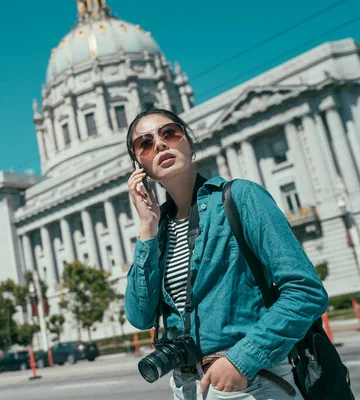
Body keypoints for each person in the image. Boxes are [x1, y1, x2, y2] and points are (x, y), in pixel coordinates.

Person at [124, 107, 328, 400]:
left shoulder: (240, 197)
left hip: (250, 381)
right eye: (145, 143)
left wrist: (242, 359)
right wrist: (147, 227)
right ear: (139, 165)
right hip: (186, 389)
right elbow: (140, 316)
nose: (159, 144)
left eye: (170, 133)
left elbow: (305, 291)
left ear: (189, 142)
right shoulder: (158, 232)